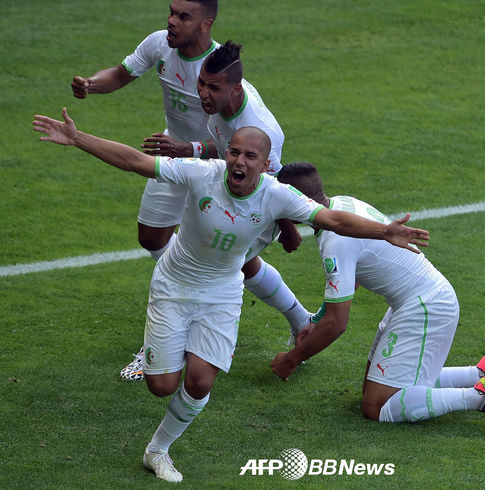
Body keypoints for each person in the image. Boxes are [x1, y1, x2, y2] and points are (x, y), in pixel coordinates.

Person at [33, 111, 432, 482]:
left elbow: (331, 218)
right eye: (234, 152)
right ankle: (177, 348)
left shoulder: (277, 195)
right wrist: (78, 138)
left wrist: (384, 231)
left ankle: (157, 451)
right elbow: (136, 161)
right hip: (173, 286)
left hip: (221, 293)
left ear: (266, 163)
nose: (239, 161)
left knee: (200, 381)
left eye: (250, 156)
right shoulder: (200, 174)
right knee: (161, 385)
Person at [72, 4, 312, 380]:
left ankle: (170, 340)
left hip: (238, 191)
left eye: (183, 15)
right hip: (194, 166)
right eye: (200, 84)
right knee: (160, 239)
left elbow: (270, 184)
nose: (201, 92)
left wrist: (289, 228)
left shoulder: (257, 128)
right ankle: (302, 321)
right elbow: (219, 144)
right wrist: (189, 150)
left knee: (210, 262)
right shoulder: (215, 95)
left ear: (205, 23)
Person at [271, 162, 485, 432]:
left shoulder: (335, 240)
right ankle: (480, 373)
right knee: (376, 390)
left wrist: (292, 359)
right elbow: (350, 280)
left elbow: (337, 324)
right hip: (415, 300)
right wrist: (317, 321)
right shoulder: (343, 204)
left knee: (377, 406)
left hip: (426, 306)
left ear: (296, 200)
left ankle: (480, 397)